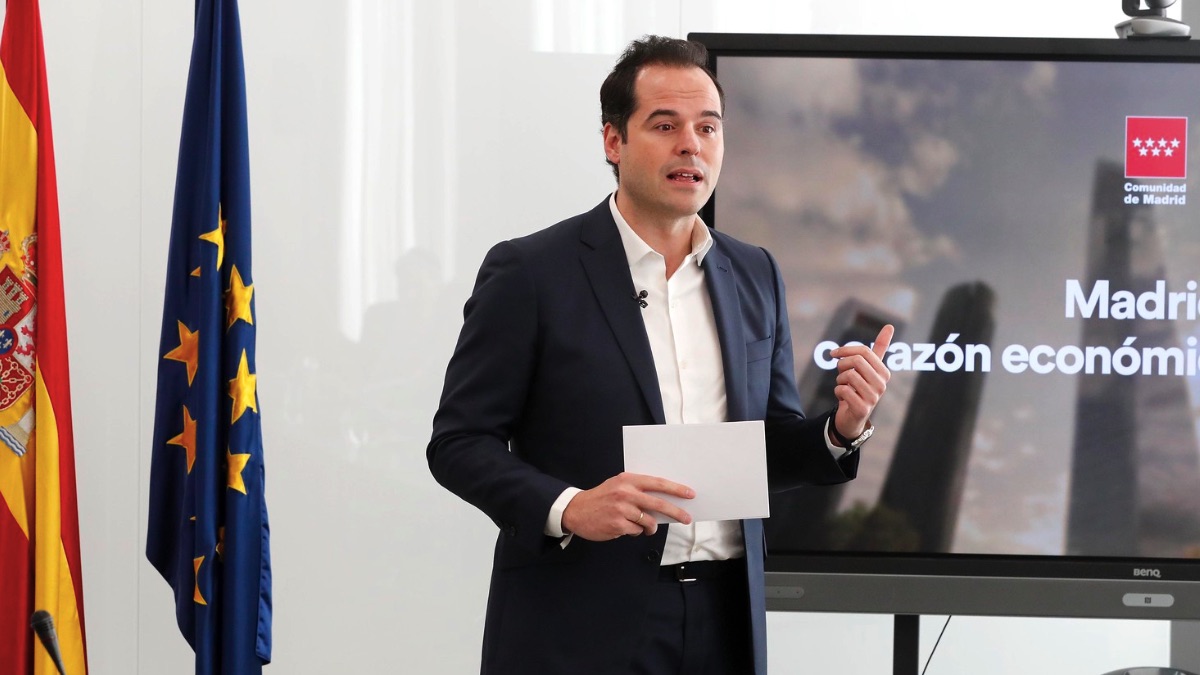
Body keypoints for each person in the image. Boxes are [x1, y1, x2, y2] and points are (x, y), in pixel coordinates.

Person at [427, 35, 893, 675]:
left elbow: (769, 446)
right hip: (577, 624)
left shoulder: (755, 273)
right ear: (612, 141)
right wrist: (570, 506)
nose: (691, 145)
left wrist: (842, 430)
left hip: (725, 622)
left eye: (708, 126)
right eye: (665, 125)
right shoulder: (531, 272)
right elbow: (458, 442)